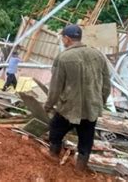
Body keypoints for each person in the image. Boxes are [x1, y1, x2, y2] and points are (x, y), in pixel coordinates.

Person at [44, 25, 111, 172]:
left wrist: (48, 105)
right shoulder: (98, 55)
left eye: (63, 38)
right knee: (86, 140)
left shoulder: (63, 58)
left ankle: (52, 160)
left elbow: (55, 87)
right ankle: (80, 168)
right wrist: (101, 101)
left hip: (69, 108)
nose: (63, 41)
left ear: (67, 39)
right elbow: (106, 83)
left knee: (55, 132)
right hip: (91, 108)